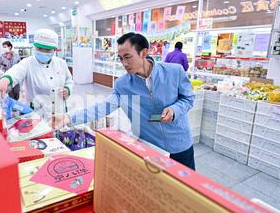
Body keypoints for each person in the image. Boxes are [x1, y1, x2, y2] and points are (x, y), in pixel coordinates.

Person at [53, 33, 196, 170]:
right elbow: (103, 107)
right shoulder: (123, 84)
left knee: (187, 190)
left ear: (144, 53)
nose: (124, 63)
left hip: (180, 143)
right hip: (151, 147)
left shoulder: (174, 72)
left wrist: (174, 110)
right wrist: (67, 118)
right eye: (121, 58)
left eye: (128, 57)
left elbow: (188, 98)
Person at [0, 29, 74, 118]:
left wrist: (67, 89)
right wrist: (5, 80)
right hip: (38, 113)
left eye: (47, 50)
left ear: (55, 50)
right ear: (35, 47)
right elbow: (16, 71)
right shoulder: (28, 63)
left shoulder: (61, 63)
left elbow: (69, 80)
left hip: (59, 110)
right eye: (40, 48)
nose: (43, 52)